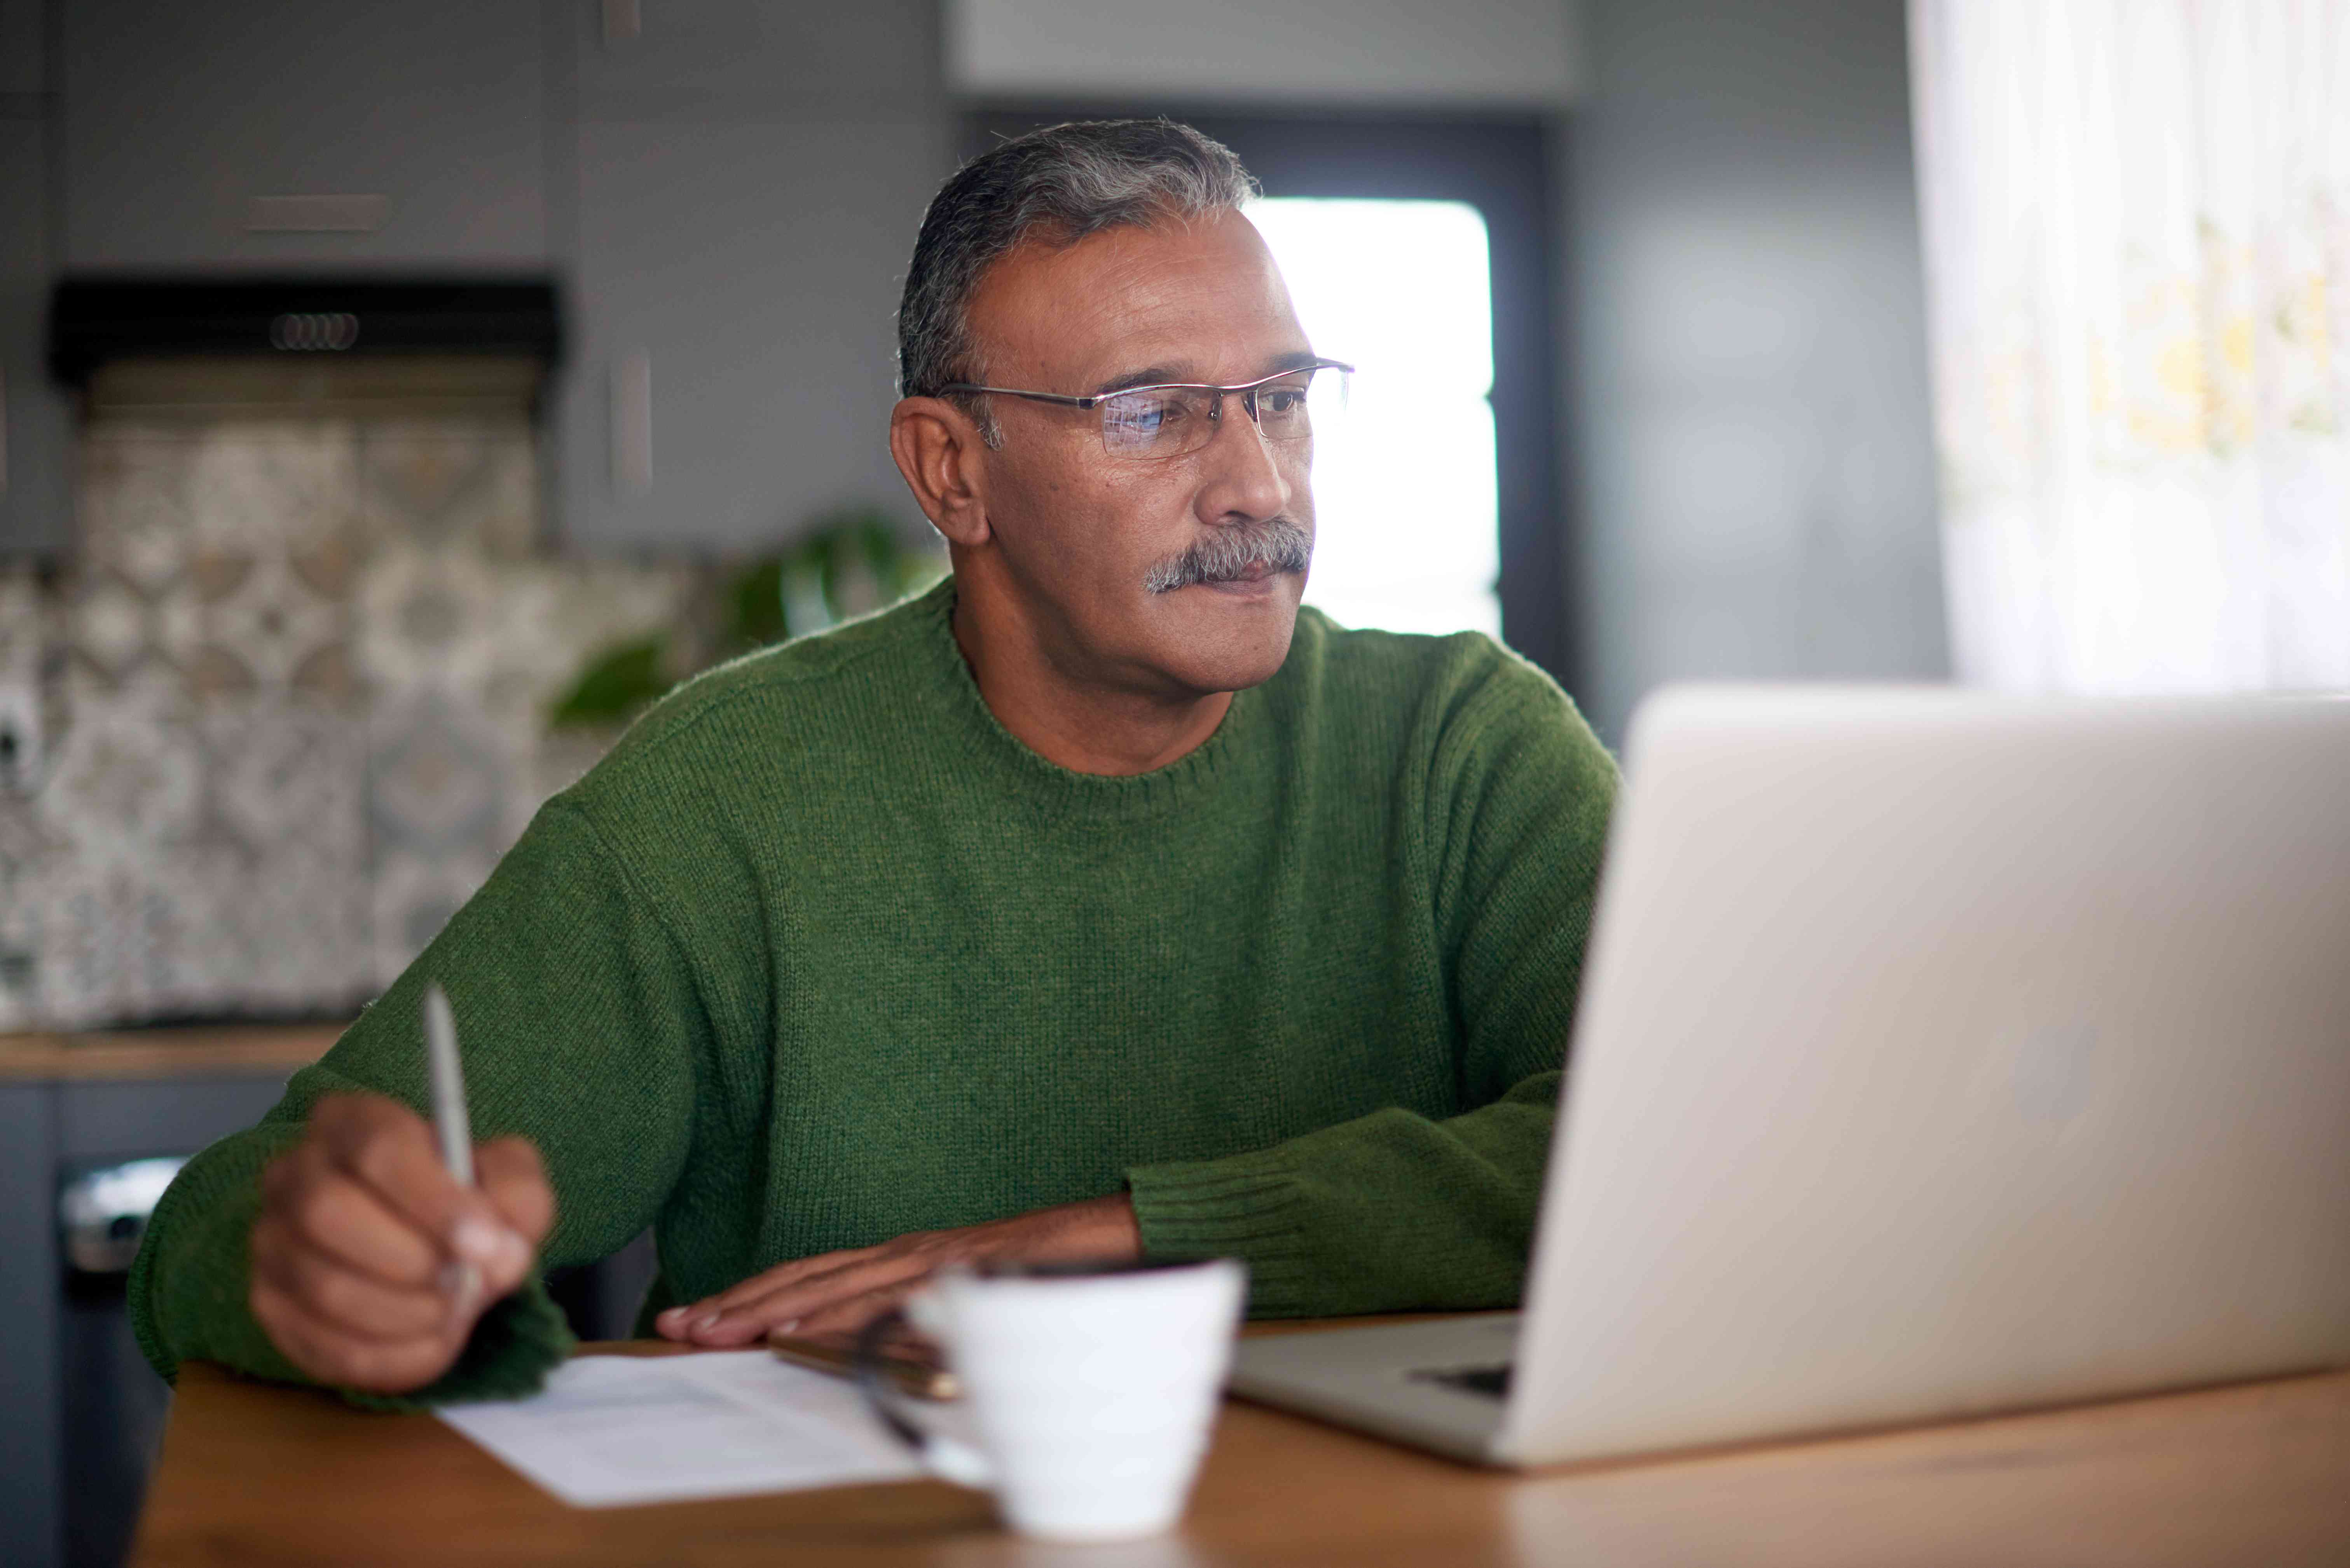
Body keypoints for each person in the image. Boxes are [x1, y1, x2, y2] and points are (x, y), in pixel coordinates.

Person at [129, 119, 1618, 1402]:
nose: (1256, 483)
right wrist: (320, 1265)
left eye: (1280, 400)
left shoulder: (1464, 749)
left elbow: (1688, 1156)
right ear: (949, 471)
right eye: (1152, 412)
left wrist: (1112, 1232)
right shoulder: (730, 797)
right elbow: (217, 1229)